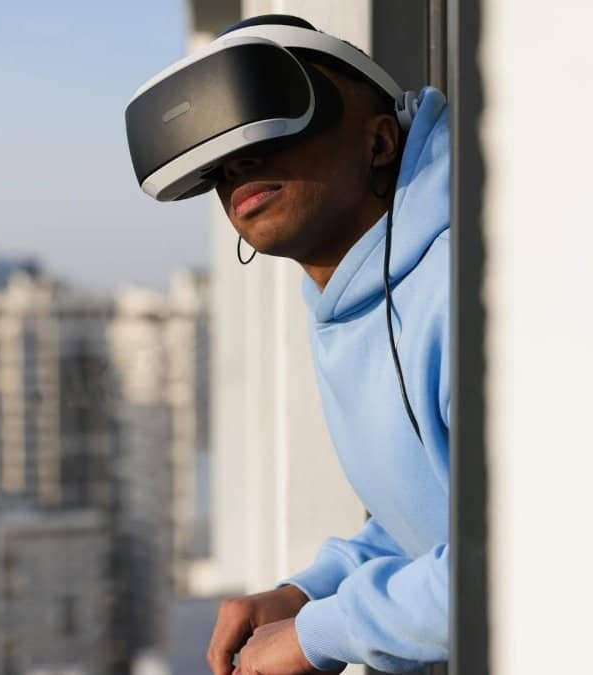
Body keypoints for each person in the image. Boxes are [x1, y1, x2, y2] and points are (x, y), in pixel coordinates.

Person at [131, 14, 450, 674]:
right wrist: (306, 592)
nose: (238, 163)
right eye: (217, 161)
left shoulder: (461, 286)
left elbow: (519, 551)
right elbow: (427, 514)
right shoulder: (345, 301)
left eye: (271, 131)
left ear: (381, 141)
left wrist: (321, 632)